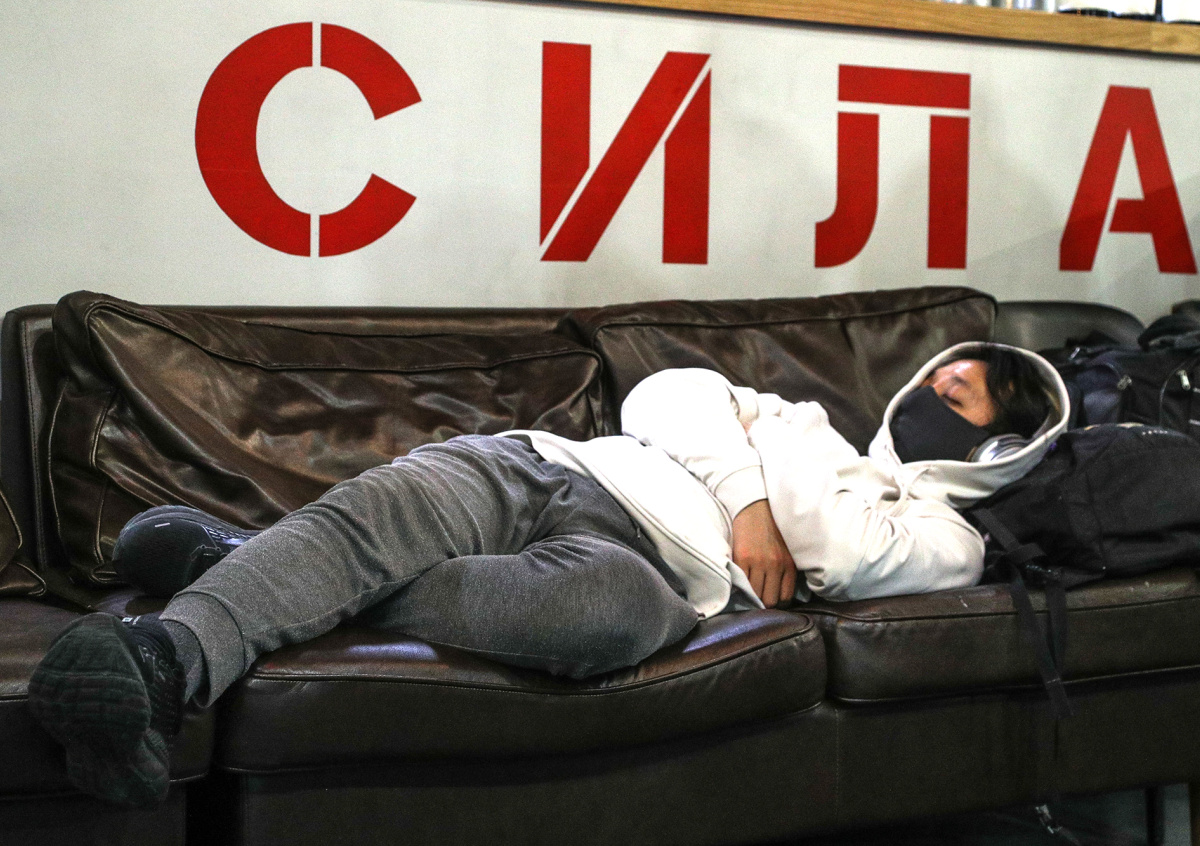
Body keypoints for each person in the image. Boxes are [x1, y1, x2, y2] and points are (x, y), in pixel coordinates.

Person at [27, 341, 1068, 807]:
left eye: (965, 392)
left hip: (639, 563)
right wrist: (754, 499)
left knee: (603, 623)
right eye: (943, 369)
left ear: (999, 448)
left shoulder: (950, 537)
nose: (937, 380)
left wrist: (765, 433)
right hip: (551, 464)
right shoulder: (816, 433)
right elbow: (662, 396)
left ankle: (243, 561)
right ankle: (165, 661)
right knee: (400, 506)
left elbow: (840, 556)